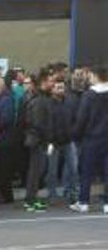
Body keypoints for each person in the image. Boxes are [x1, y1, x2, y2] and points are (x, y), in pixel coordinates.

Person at [70, 65, 108, 214]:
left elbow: (82, 118)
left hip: (92, 138)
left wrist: (75, 134)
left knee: (87, 171)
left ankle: (84, 202)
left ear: (97, 76)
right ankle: (107, 203)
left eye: (91, 75)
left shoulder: (89, 95)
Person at [23, 70, 55, 212]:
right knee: (35, 172)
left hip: (39, 140)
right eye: (50, 81)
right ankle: (30, 201)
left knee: (37, 172)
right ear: (42, 83)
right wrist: (48, 139)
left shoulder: (42, 98)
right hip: (37, 141)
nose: (52, 83)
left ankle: (32, 199)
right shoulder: (39, 101)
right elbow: (38, 123)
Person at [46, 79, 79, 204]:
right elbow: (47, 123)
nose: (61, 90)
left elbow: (74, 118)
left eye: (62, 87)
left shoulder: (69, 102)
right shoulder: (48, 103)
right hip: (53, 142)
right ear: (52, 89)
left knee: (73, 169)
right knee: (52, 171)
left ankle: (72, 193)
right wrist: (50, 139)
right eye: (58, 87)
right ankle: (52, 195)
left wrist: (73, 132)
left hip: (68, 140)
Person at [0, 79, 16, 204]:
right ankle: (3, 194)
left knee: (4, 169)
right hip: (0, 139)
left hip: (5, 140)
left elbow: (6, 118)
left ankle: (6, 196)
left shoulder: (6, 100)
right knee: (0, 169)